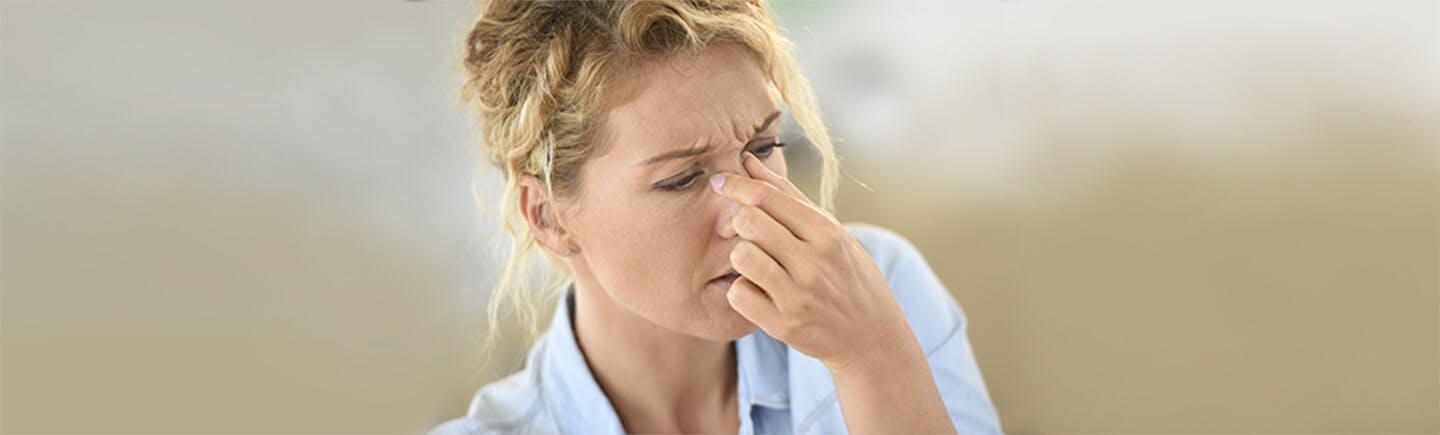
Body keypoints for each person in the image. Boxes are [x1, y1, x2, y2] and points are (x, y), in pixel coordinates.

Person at [432, 1, 1001, 433]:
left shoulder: (876, 288)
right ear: (549, 217)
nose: (749, 210)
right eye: (682, 178)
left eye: (762, 147)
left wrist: (874, 360)